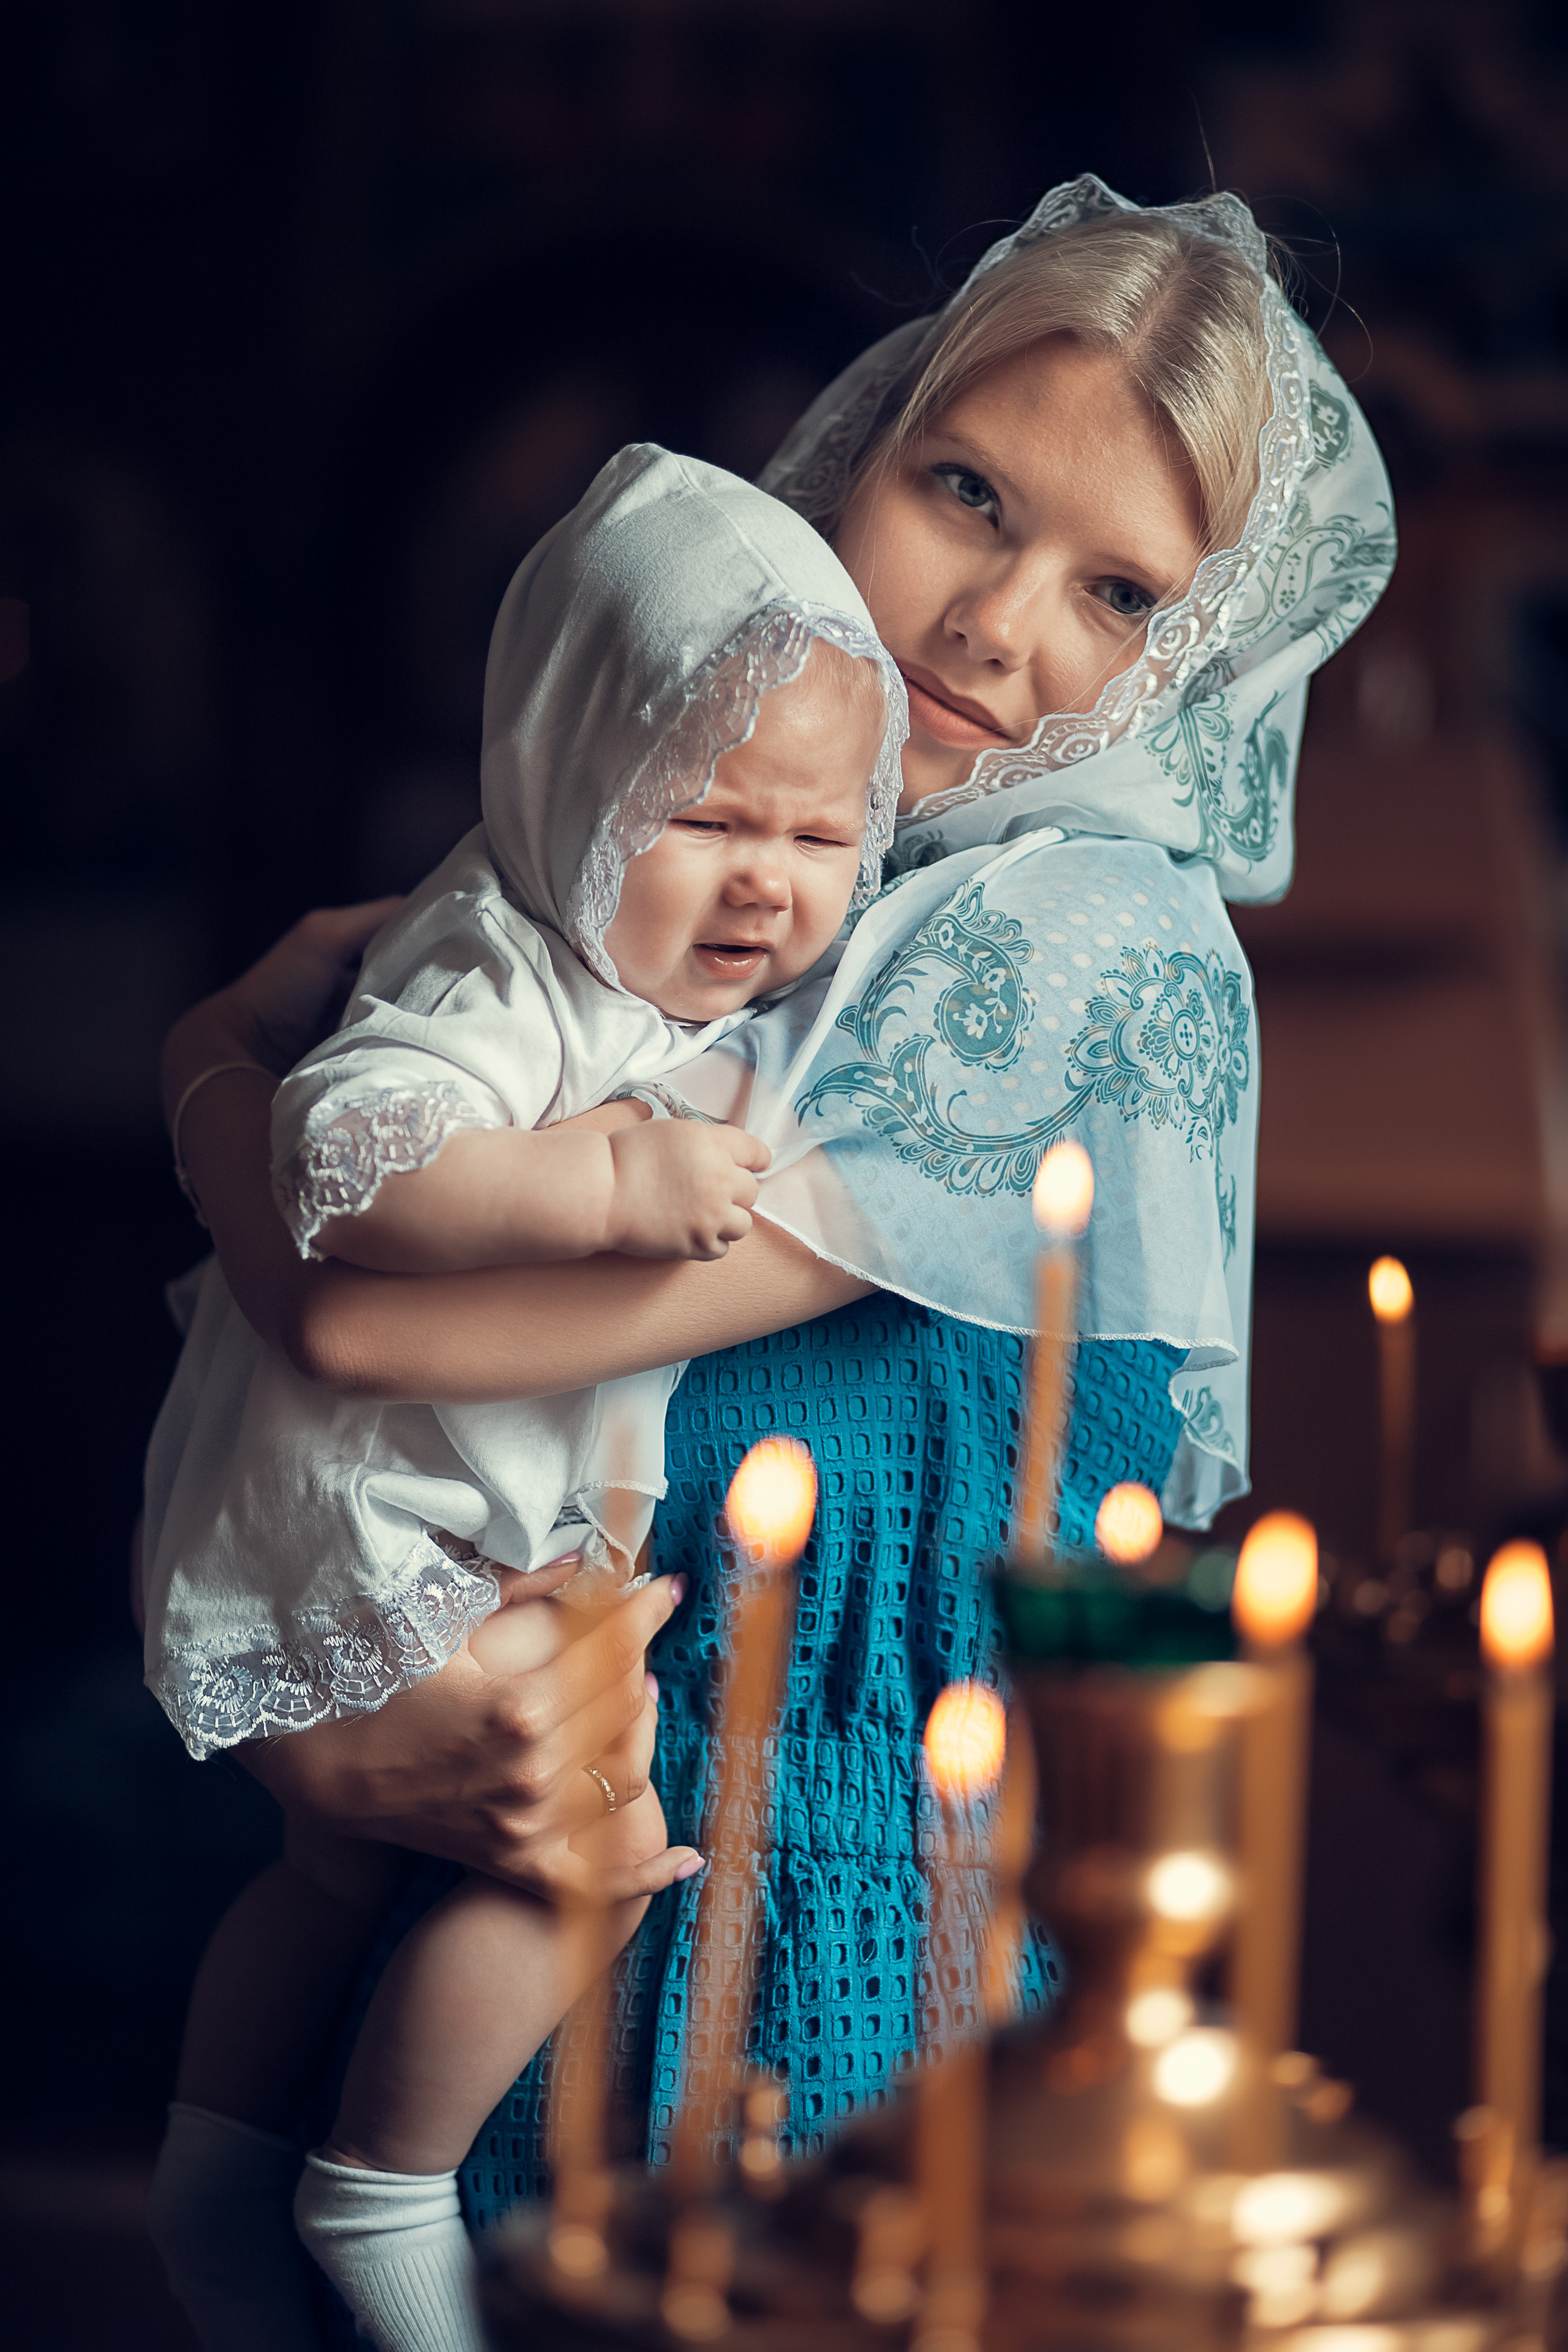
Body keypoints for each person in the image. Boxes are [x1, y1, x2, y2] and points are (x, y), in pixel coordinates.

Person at [151, 177, 1393, 2342]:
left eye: (1118, 592)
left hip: (813, 1935)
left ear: (1198, 656)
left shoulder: (1079, 940)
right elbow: (378, 1310)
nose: (1001, 625)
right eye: (967, 491)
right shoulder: (745, 810)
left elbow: (350, 1307)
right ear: (863, 447)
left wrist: (202, 1078)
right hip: (552, 1859)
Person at [143, 446, 905, 2352]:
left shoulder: (635, 969)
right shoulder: (506, 961)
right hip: (376, 1501)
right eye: (713, 817)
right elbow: (344, 1155)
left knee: (329, 1868)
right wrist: (607, 1181)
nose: (767, 883)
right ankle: (380, 2193)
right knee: (597, 1842)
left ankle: (214, 2167)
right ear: (570, 772)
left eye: (823, 840)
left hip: (365, 1484)